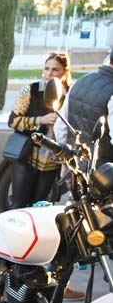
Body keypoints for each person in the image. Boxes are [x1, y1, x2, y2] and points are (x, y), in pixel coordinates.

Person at [8, 52, 71, 209]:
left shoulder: (70, 95)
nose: (49, 73)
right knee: (19, 205)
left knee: (40, 206)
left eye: (55, 69)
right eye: (46, 68)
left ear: (65, 72)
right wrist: (41, 120)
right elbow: (13, 121)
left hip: (52, 161)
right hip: (27, 156)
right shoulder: (31, 90)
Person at [55, 46, 113, 166]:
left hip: (74, 166)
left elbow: (60, 128)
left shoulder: (81, 81)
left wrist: (69, 157)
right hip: (103, 171)